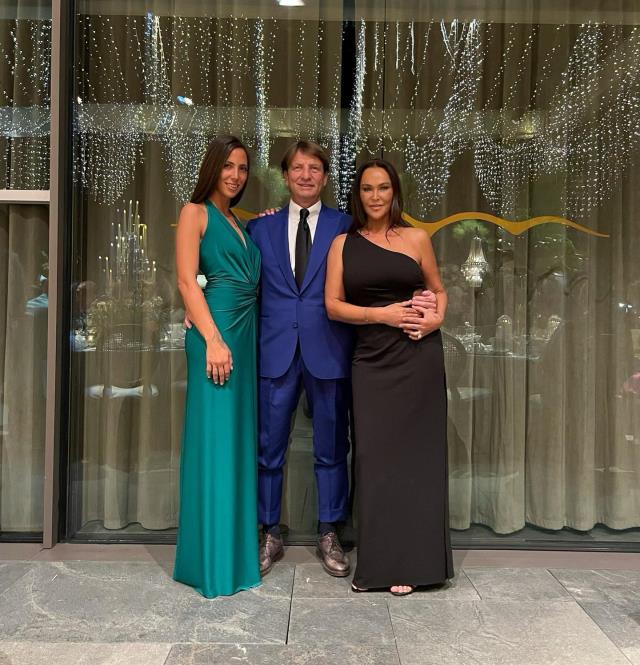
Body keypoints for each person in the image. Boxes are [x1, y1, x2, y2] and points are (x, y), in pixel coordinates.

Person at [325, 158, 454, 596]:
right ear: (357, 195)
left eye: (383, 188)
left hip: (418, 356)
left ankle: (415, 564)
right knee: (374, 461)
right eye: (367, 189)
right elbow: (333, 306)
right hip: (371, 361)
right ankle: (379, 565)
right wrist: (382, 315)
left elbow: (438, 290)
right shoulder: (342, 244)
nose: (375, 196)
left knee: (417, 462)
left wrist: (435, 320)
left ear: (394, 192)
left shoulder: (417, 238)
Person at [246, 141, 354, 577]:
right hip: (275, 352)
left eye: (314, 168)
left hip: (328, 350)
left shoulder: (346, 225)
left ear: (325, 177)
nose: (306, 175)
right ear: (285, 176)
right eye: (297, 168)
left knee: (332, 448)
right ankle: (269, 530)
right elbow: (240, 284)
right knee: (268, 449)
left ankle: (329, 530)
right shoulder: (259, 228)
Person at [174, 135, 261, 598]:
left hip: (242, 339)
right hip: (217, 341)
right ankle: (212, 565)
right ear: (213, 167)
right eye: (228, 166)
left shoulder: (237, 221)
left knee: (235, 445)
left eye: (242, 168)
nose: (235, 175)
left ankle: (233, 556)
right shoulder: (195, 212)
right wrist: (211, 339)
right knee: (215, 446)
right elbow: (187, 281)